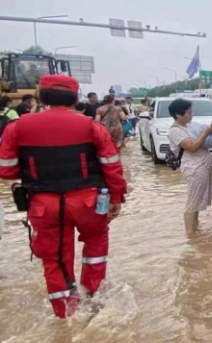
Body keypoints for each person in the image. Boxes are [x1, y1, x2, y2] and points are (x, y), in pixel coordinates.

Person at [0, 75, 127, 318]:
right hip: (90, 202)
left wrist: (35, 170)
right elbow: (112, 167)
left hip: (43, 205)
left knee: (54, 258)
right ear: (75, 98)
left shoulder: (17, 127)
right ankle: (93, 296)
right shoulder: (92, 128)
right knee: (97, 243)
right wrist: (116, 199)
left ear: (42, 96)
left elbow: (5, 170)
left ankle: (66, 313)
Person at [167, 98, 212, 234]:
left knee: (198, 202)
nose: (191, 115)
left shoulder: (189, 126)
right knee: (193, 202)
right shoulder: (175, 131)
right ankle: (190, 234)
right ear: (178, 114)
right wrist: (205, 133)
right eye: (188, 113)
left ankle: (195, 229)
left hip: (203, 165)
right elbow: (192, 147)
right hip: (194, 169)